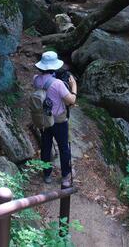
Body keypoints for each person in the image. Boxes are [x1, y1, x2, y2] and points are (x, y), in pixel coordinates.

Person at [33, 51, 77, 187]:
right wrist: (74, 86)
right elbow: (71, 100)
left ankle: (47, 174)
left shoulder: (35, 79)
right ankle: (65, 175)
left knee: (46, 146)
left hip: (43, 120)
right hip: (58, 120)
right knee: (64, 147)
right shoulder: (58, 84)